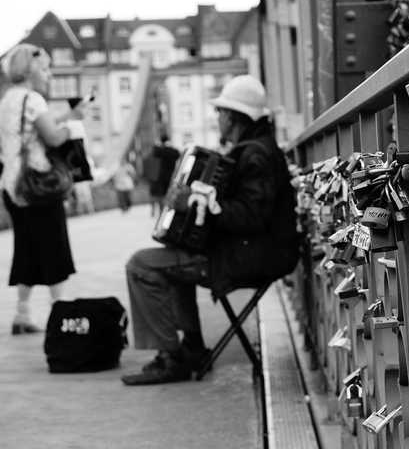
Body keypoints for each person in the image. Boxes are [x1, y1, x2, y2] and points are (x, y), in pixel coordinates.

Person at [121, 75, 299, 385]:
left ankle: (173, 357)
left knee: (141, 264)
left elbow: (250, 216)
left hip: (252, 258)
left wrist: (194, 202)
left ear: (232, 116)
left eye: (220, 112)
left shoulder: (255, 153)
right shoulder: (256, 148)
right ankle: (190, 348)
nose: (217, 118)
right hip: (252, 252)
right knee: (172, 258)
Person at [0, 44, 84, 334]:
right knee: (53, 247)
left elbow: (29, 130)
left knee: (26, 248)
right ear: (32, 69)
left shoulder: (7, 99)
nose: (49, 75)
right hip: (39, 184)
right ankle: (59, 313)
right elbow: (53, 138)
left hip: (12, 186)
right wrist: (73, 125)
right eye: (46, 68)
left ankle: (22, 314)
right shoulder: (33, 98)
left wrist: (64, 114)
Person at [143, 135, 179, 217]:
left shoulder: (159, 151)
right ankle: (164, 211)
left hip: (160, 177)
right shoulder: (171, 151)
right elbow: (177, 154)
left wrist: (159, 145)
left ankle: (161, 211)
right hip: (169, 176)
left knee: (160, 195)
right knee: (165, 194)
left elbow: (155, 151)